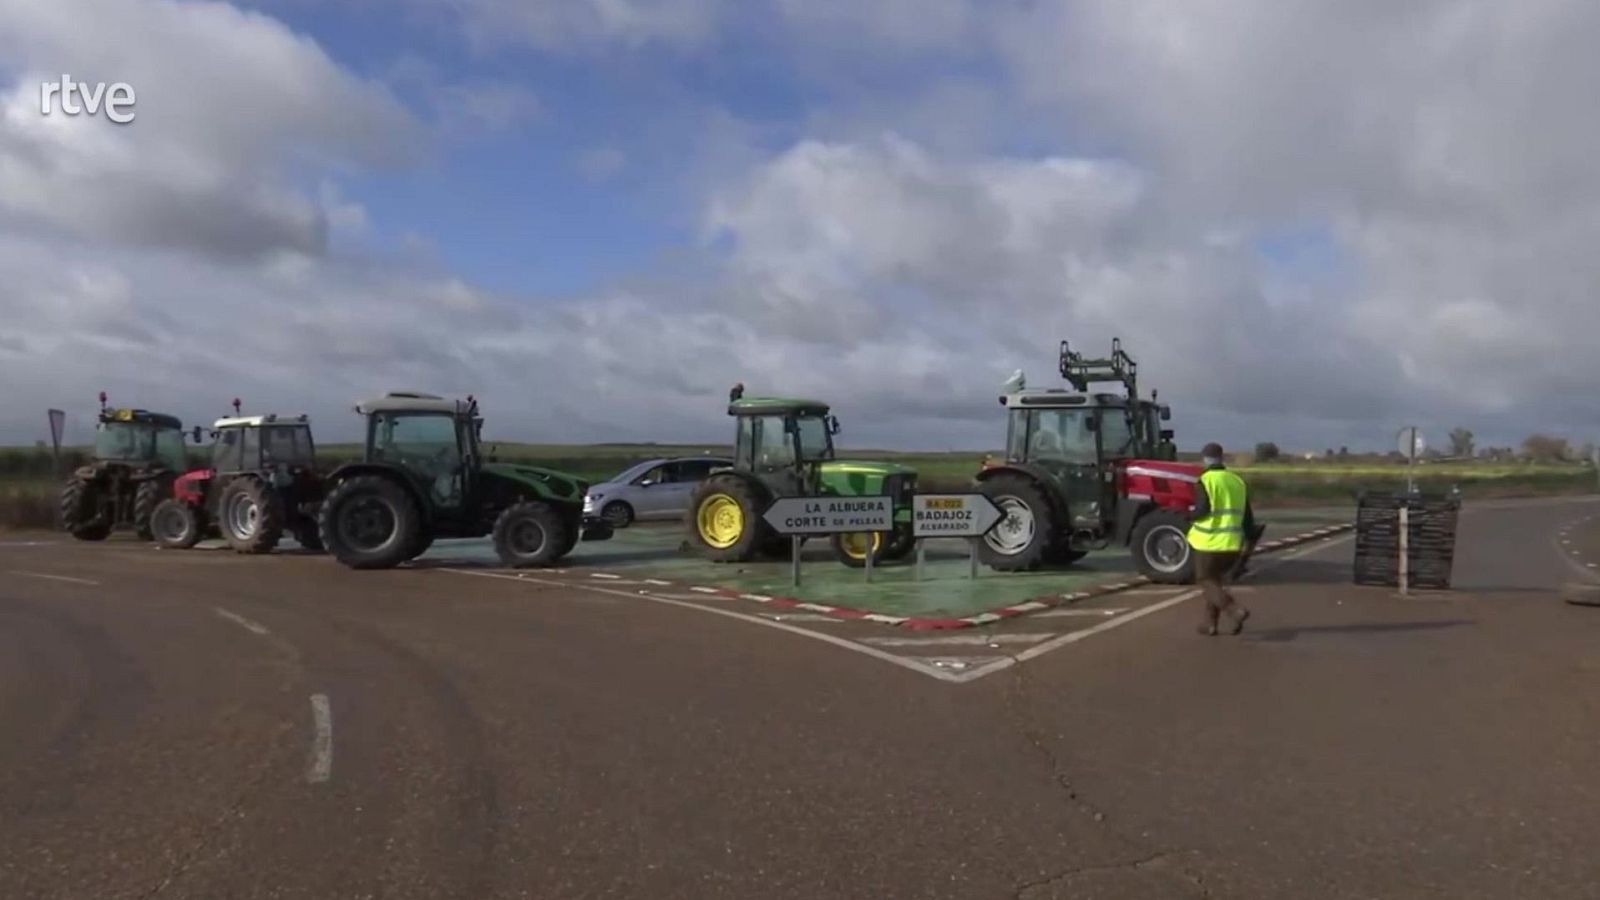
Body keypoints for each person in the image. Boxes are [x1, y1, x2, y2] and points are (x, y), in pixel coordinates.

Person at [1188, 442, 1256, 636]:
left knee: (1205, 580)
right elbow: (1247, 517)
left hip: (1209, 543)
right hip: (1232, 545)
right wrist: (1248, 542)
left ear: (1205, 459)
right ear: (1222, 458)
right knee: (1215, 581)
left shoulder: (1206, 481)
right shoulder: (1237, 482)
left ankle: (1234, 610)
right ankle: (1210, 624)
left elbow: (1202, 510)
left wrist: (1188, 516)